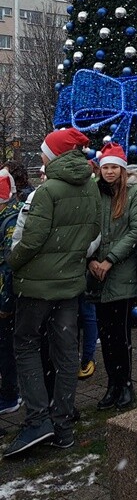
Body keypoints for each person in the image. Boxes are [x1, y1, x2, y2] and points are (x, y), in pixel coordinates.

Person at [4, 128, 101, 458]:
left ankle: (37, 420)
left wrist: (12, 262)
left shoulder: (46, 192)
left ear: (54, 155)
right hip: (70, 285)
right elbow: (93, 236)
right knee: (64, 352)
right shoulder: (90, 186)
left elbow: (29, 241)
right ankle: (62, 426)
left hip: (37, 286)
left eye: (44, 150)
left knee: (26, 344)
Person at [87, 142, 137, 410]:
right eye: (105, 167)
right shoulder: (93, 192)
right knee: (106, 335)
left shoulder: (134, 193)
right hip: (96, 274)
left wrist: (109, 260)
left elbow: (134, 231)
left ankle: (126, 384)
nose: (109, 171)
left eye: (114, 167)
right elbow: (85, 227)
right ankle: (112, 384)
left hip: (120, 273)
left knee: (121, 335)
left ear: (122, 170)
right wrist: (91, 260)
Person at [0, 174, 22, 416]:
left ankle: (10, 394)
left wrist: (6, 301)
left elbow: (8, 265)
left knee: (6, 347)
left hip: (4, 295)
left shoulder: (10, 220)